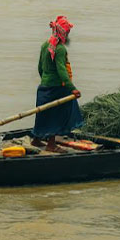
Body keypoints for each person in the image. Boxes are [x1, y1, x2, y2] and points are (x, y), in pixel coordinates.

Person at [31, 16, 83, 152]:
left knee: (43, 114)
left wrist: (45, 80)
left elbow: (40, 67)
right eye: (68, 32)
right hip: (56, 88)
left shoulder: (45, 45)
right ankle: (51, 144)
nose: (69, 34)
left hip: (44, 87)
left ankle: (36, 139)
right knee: (60, 112)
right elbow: (62, 70)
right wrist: (72, 89)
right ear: (62, 33)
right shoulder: (59, 49)